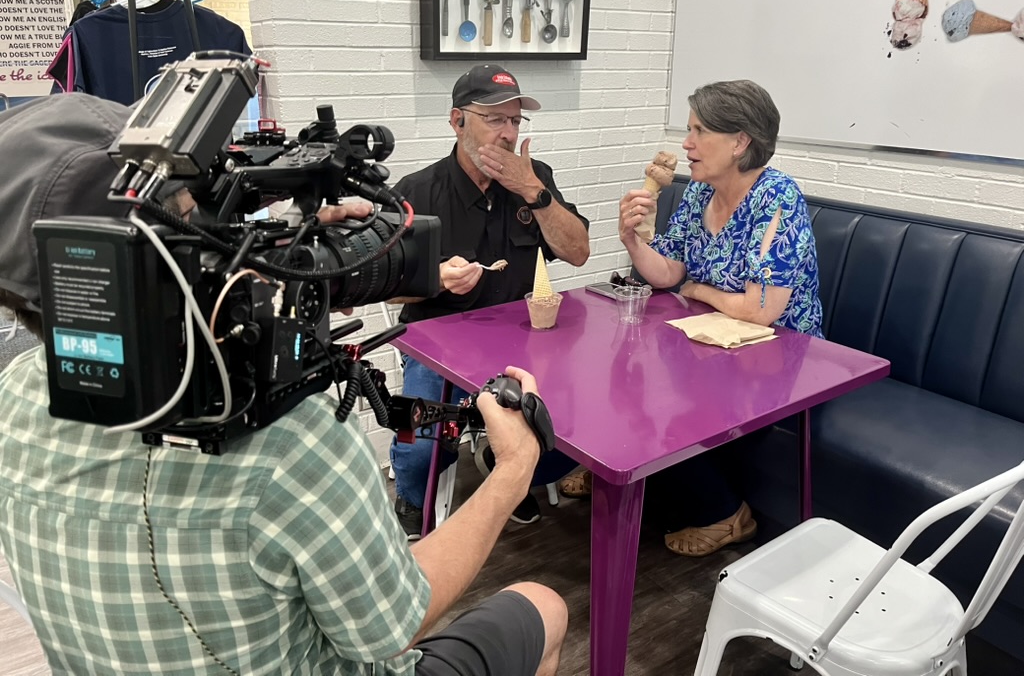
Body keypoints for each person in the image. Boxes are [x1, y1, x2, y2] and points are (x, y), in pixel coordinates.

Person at [0, 94, 567, 675]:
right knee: (543, 605)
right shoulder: (293, 444)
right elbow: (394, 625)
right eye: (197, 211)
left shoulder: (14, 397)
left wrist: (292, 234)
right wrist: (512, 471)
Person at [559, 79, 823, 557]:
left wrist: (699, 290)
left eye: (699, 131)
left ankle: (724, 515)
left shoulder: (778, 199)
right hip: (711, 343)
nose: (686, 143)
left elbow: (762, 310)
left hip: (778, 359)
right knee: (617, 377)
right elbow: (667, 273)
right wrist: (632, 240)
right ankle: (613, 469)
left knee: (663, 402)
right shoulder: (701, 194)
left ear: (739, 141)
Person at [389, 65, 590, 537]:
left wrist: (532, 192)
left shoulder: (534, 178)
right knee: (419, 447)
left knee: (583, 423)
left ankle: (511, 479)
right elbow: (378, 284)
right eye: (494, 119)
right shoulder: (418, 191)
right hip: (436, 348)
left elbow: (578, 252)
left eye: (515, 121)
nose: (508, 133)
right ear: (458, 121)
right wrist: (432, 280)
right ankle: (413, 499)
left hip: (522, 348)